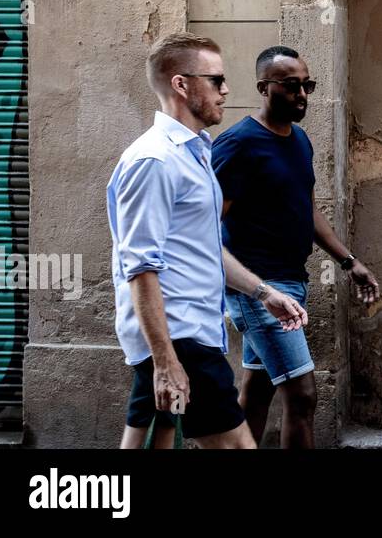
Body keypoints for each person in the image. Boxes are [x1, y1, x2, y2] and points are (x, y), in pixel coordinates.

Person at [107, 33, 308, 449]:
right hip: (180, 339)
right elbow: (140, 266)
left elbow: (204, 247)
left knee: (150, 444)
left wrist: (263, 292)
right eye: (216, 80)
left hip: (190, 336)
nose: (226, 89)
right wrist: (165, 361)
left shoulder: (195, 152)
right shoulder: (155, 161)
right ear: (182, 85)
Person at [213, 45, 379, 448]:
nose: (302, 94)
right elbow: (203, 223)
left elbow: (305, 208)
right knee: (303, 396)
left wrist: (347, 260)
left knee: (257, 392)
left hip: (291, 282)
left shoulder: (299, 140)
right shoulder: (238, 144)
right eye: (291, 86)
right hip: (258, 288)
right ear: (263, 88)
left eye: (308, 85)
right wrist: (251, 287)